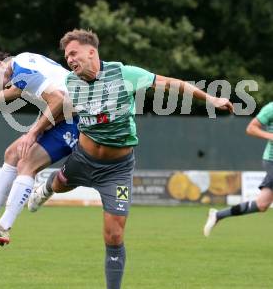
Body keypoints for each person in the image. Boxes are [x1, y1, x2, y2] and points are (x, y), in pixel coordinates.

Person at [28, 29, 234, 289]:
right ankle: (45, 188)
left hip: (117, 170)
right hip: (82, 158)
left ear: (91, 51)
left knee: (114, 235)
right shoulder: (70, 82)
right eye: (66, 55)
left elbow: (172, 84)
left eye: (73, 53)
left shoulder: (124, 74)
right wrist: (35, 131)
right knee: (59, 183)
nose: (69, 59)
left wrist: (211, 99)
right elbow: (59, 109)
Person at [0, 45, 79, 245]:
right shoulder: (21, 62)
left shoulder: (23, 70)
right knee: (12, 153)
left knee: (26, 164)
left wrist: (33, 133)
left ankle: (3, 228)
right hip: (61, 117)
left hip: (75, 121)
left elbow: (59, 99)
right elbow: (16, 91)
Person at [203, 102, 273, 237]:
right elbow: (251, 128)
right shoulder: (271, 108)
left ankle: (218, 215)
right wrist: (270, 136)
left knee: (262, 204)